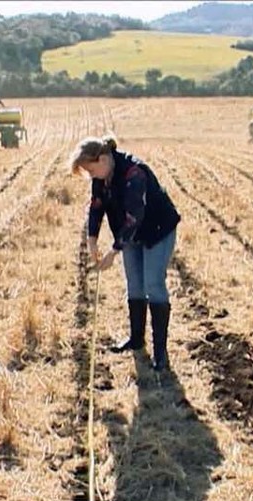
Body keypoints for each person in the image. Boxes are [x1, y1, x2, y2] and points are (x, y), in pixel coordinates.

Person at [69, 135, 181, 371]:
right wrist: (92, 240)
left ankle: (161, 354)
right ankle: (136, 340)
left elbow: (134, 217)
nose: (91, 176)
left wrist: (113, 251)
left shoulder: (133, 172)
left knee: (153, 284)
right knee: (135, 285)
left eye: (91, 170)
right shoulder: (101, 177)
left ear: (102, 159)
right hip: (131, 235)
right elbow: (96, 206)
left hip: (157, 231)